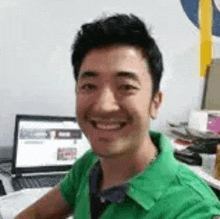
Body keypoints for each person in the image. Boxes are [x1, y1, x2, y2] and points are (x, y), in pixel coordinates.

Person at [15, 14, 220, 219]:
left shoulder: (192, 210)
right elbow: (37, 214)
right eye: (88, 86)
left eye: (126, 87)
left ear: (155, 102)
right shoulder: (92, 163)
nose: (104, 106)